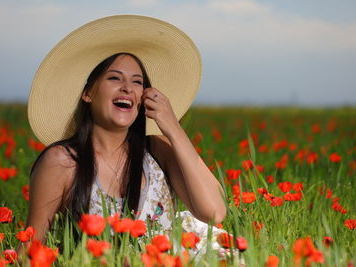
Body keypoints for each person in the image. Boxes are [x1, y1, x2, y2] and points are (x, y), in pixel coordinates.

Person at [25, 15, 226, 244]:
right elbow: (32, 247)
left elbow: (214, 213)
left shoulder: (158, 150)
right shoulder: (62, 162)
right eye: (114, 78)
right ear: (88, 93)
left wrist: (172, 127)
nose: (127, 88)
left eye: (137, 82)